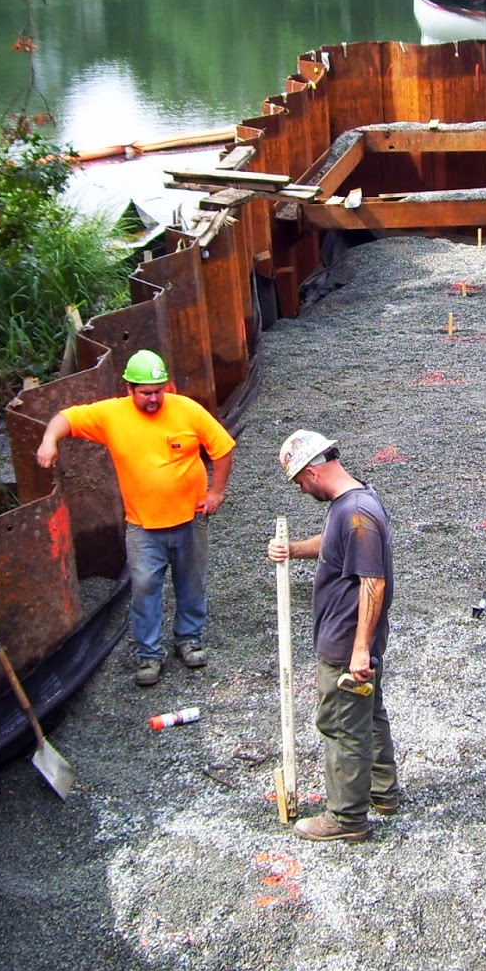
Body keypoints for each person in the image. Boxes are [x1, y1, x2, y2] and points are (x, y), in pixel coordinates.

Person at [37, 349, 235, 686]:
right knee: (145, 586)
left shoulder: (187, 409)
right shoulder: (111, 415)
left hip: (190, 518)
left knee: (191, 581)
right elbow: (64, 418)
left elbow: (223, 447)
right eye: (146, 392)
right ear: (129, 389)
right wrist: (48, 441)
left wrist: (216, 493)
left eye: (159, 390)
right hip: (143, 526)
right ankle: (148, 654)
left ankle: (189, 639)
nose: (154, 398)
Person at [267, 430, 400, 842]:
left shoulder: (356, 513)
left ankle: (346, 819)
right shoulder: (355, 501)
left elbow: (372, 582)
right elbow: (334, 545)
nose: (302, 490)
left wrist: (359, 650)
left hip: (346, 643)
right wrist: (294, 550)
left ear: (313, 471)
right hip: (353, 640)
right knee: (369, 716)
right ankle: (382, 793)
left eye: (300, 482)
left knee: (342, 725)